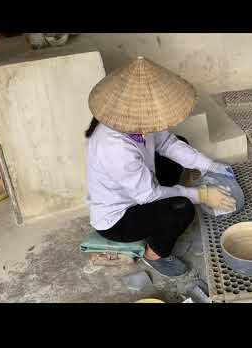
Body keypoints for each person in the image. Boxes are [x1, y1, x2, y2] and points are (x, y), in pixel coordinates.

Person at [85, 57, 237, 277]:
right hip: (119, 218)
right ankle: (154, 254)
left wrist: (210, 165)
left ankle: (160, 215)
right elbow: (148, 194)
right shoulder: (113, 147)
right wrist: (201, 195)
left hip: (137, 188)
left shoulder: (137, 116)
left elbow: (167, 143)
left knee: (180, 144)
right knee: (183, 208)